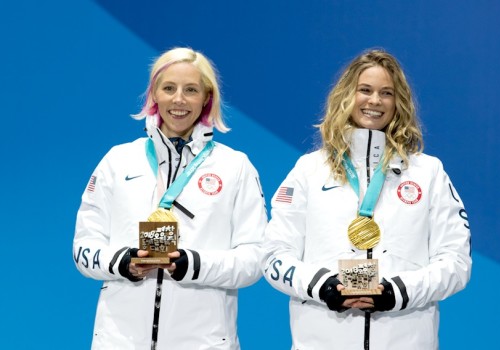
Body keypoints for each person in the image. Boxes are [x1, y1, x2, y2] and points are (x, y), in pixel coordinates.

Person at [262, 48, 471, 350]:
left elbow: (456, 262)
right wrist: (323, 286)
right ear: (347, 95)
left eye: (386, 93)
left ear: (398, 103)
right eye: (365, 90)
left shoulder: (429, 172)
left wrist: (398, 291)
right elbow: (274, 256)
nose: (375, 101)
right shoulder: (309, 170)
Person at [73, 47, 267, 350]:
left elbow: (255, 258)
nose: (179, 100)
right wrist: (123, 263)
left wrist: (194, 264)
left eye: (191, 90)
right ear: (154, 95)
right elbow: (83, 248)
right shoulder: (117, 160)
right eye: (169, 88)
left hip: (203, 343)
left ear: (207, 98)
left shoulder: (235, 167)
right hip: (119, 341)